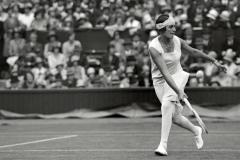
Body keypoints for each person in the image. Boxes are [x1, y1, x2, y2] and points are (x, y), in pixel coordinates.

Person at [148, 14, 226, 156]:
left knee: (166, 105)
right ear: (162, 29)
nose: (174, 29)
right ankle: (196, 130)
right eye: (170, 27)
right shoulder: (154, 48)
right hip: (160, 81)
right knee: (174, 117)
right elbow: (165, 73)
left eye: (174, 26)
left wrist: (214, 61)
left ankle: (162, 145)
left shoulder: (177, 41)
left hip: (177, 76)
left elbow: (194, 51)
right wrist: (178, 91)